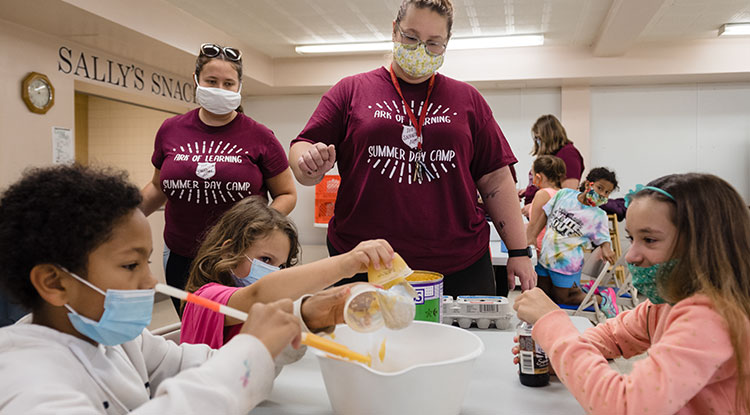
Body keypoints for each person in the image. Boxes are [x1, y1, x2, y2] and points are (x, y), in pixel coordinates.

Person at [0, 165, 303, 413]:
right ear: (54, 283)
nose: (150, 282)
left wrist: (298, 323)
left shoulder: (122, 340)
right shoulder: (24, 381)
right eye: (131, 265)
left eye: (146, 262)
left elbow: (201, 366)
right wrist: (252, 348)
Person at [288, 0, 535, 296]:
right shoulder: (351, 90)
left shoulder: (467, 99)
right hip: (364, 262)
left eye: (434, 43)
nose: (421, 49)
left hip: (459, 263)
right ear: (394, 31)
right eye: (411, 37)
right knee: (363, 343)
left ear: (447, 43)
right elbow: (302, 146)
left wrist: (518, 252)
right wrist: (307, 163)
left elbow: (495, 178)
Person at [513, 173, 750, 415]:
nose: (630, 256)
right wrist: (562, 356)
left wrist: (553, 327)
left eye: (649, 239)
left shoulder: (710, 318)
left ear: (703, 245)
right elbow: (614, 336)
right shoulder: (665, 302)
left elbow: (625, 406)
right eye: (631, 239)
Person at [139, 43, 297, 313]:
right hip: (181, 254)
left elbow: (287, 194)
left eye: (228, 83)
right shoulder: (171, 129)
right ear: (196, 80)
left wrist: (255, 231)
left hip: (239, 257)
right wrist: (118, 220)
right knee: (192, 325)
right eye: (211, 81)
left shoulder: (260, 136)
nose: (220, 90)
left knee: (235, 328)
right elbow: (157, 187)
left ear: (239, 86)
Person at [180, 196, 395, 348]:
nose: (273, 272)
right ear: (228, 251)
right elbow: (259, 293)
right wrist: (345, 264)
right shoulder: (204, 298)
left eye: (281, 267)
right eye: (265, 260)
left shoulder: (266, 312)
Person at [525, 167, 619, 317]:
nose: (602, 194)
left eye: (607, 192)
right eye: (600, 188)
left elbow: (604, 239)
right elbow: (545, 214)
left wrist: (607, 249)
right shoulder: (564, 194)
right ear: (589, 184)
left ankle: (603, 299)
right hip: (545, 257)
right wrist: (532, 236)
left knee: (564, 298)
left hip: (567, 264)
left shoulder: (598, 215)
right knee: (543, 295)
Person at [520, 114, 584, 217]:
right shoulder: (553, 154)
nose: (537, 142)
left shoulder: (568, 154)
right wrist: (528, 190)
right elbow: (549, 183)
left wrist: (534, 206)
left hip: (548, 216)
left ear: (547, 136)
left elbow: (567, 194)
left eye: (538, 138)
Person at [524, 155, 565, 255]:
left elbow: (533, 225)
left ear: (538, 177)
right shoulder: (562, 193)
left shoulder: (542, 194)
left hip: (540, 248)